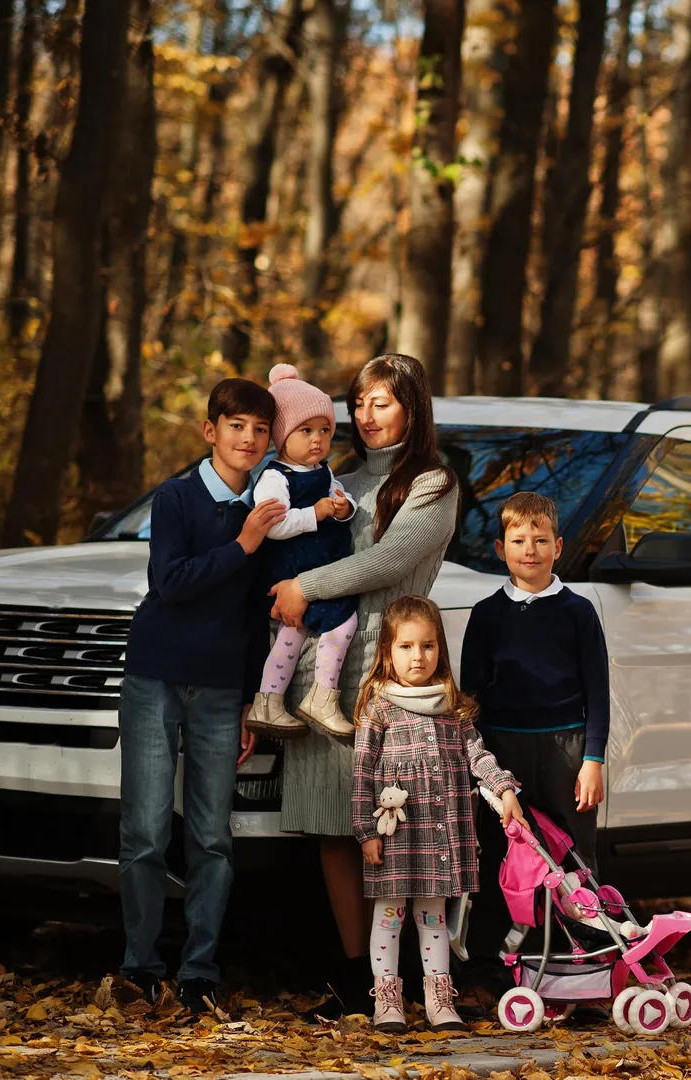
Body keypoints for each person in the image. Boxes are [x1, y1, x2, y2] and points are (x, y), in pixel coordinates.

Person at [269, 354, 459, 1020]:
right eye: (359, 402)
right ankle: (357, 979)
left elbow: (389, 560)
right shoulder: (336, 478)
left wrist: (305, 587)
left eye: (382, 402)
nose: (366, 416)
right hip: (318, 673)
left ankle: (408, 980)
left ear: (412, 406)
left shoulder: (431, 483)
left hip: (387, 675)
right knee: (334, 827)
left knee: (395, 827)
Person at [116, 378, 286, 1015]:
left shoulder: (271, 507)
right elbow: (171, 583)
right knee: (145, 829)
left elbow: (252, 617)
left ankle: (199, 971)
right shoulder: (179, 498)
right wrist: (242, 544)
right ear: (210, 431)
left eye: (260, 429)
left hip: (220, 690)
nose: (248, 438)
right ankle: (139, 965)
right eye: (235, 425)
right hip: (156, 676)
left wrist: (248, 698)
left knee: (213, 836)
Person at [352, 595, 524, 1033]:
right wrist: (365, 830)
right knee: (389, 914)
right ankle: (387, 1000)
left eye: (428, 646)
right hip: (395, 833)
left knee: (433, 916)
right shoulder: (378, 705)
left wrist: (503, 789)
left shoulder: (452, 705)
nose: (418, 656)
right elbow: (362, 772)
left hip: (440, 832)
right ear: (388, 652)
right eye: (407, 646)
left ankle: (438, 999)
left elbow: (476, 755)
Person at [461, 491, 609, 872]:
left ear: (558, 547)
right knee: (505, 851)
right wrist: (481, 762)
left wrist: (592, 760)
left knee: (573, 856)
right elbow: (471, 697)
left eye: (541, 540)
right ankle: (506, 931)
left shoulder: (578, 611)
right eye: (519, 541)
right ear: (500, 547)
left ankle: (584, 930)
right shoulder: (486, 615)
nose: (531, 550)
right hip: (505, 751)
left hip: (567, 749)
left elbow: (597, 690)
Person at [247, 363, 358, 739]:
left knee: (290, 638)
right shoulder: (275, 478)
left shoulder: (323, 469)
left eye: (325, 430)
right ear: (281, 436)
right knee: (343, 624)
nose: (317, 440)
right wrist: (316, 513)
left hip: (314, 571)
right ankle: (321, 697)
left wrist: (346, 508)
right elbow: (273, 525)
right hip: (293, 569)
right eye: (306, 430)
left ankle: (269, 702)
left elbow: (339, 496)